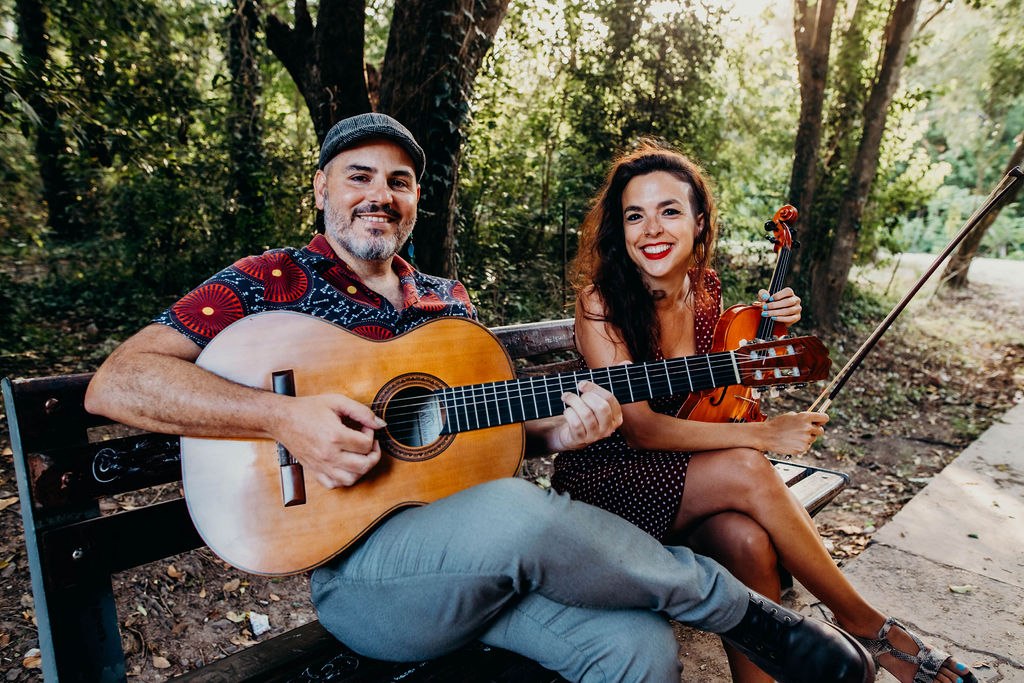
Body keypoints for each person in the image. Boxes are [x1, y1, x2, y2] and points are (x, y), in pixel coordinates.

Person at [85, 113, 874, 683]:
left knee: (639, 648)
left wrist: (564, 429)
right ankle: (739, 609)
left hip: (483, 566)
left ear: (416, 199)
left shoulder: (443, 300)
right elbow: (118, 381)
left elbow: (491, 428)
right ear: (322, 185)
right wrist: (281, 414)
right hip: (367, 580)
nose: (379, 193)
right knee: (517, 512)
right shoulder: (268, 284)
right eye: (358, 175)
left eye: (399, 180)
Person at [552, 139, 978, 683]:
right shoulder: (602, 302)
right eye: (635, 215)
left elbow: (722, 393)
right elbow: (640, 428)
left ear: (700, 223)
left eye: (669, 211)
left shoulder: (704, 290)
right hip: (609, 485)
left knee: (747, 542)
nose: (651, 229)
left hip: (683, 485)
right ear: (621, 229)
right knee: (750, 465)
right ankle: (868, 625)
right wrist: (764, 435)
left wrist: (770, 326)